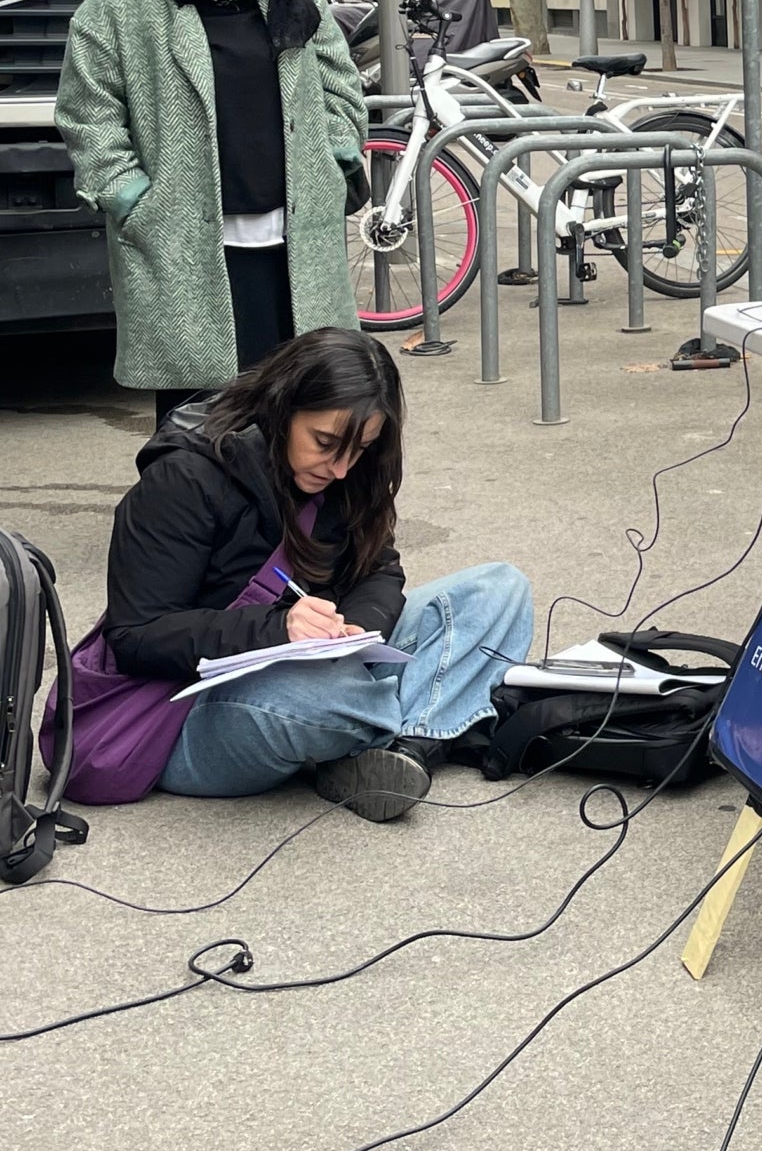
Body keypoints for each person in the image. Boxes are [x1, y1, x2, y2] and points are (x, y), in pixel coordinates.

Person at [104, 328, 532, 822]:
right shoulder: (184, 478)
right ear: (282, 408)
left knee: (498, 588)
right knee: (331, 696)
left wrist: (357, 626)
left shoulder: (352, 471)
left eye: (361, 449)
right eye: (325, 443)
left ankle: (403, 751)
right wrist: (278, 628)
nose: (343, 468)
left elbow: (379, 569)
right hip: (190, 709)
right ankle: (420, 722)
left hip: (318, 665)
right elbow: (136, 637)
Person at [57, 0, 368, 425]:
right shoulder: (125, 1)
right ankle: (192, 513)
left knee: (301, 401)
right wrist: (129, 195)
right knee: (199, 415)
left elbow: (340, 84)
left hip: (294, 237)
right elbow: (87, 110)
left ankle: (289, 514)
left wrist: (333, 155)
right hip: (186, 237)